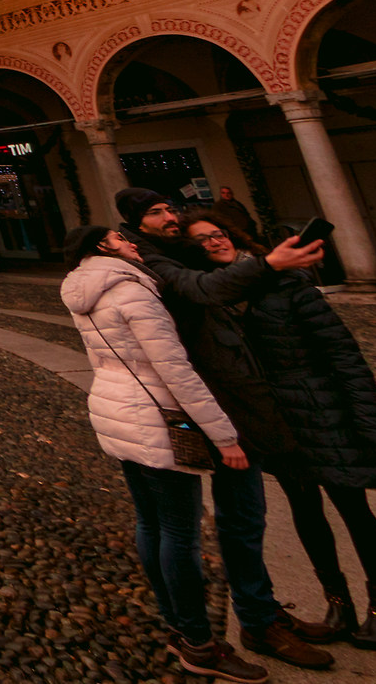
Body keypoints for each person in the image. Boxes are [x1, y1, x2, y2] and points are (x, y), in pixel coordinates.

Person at [115, 188, 335, 670]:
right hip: (205, 410)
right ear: (132, 227)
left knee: (232, 520)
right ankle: (237, 627)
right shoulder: (151, 264)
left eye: (171, 208)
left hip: (229, 401)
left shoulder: (171, 255)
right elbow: (198, 296)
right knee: (212, 523)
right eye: (157, 212)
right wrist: (268, 264)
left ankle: (256, 615)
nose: (170, 216)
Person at [185, 212, 376, 651]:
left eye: (218, 233)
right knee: (306, 511)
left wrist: (368, 422)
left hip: (323, 411)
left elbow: (343, 354)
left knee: (354, 510)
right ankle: (338, 604)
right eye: (202, 241)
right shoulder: (217, 298)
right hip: (276, 421)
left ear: (234, 235)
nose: (213, 243)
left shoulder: (287, 284)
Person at [61, 224, 267, 681]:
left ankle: (177, 625)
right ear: (103, 247)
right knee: (179, 532)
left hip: (114, 408)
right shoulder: (133, 292)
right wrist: (224, 436)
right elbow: (174, 369)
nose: (133, 243)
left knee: (150, 523)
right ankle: (198, 644)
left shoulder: (81, 287)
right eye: (121, 239)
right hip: (155, 416)